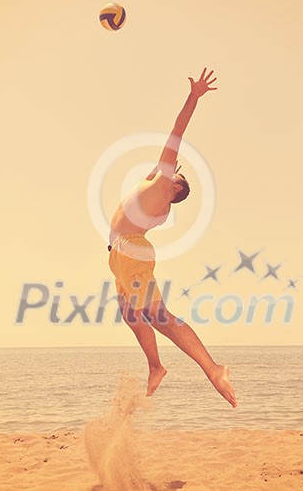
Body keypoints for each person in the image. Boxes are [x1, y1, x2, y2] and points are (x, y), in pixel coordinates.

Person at [108, 68, 237, 408]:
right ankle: (156, 366)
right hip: (121, 255)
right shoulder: (157, 192)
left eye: (177, 175)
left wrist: (193, 97)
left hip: (132, 253)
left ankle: (213, 368)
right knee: (130, 313)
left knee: (158, 316)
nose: (172, 168)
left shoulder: (163, 185)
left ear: (176, 188)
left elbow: (177, 132)